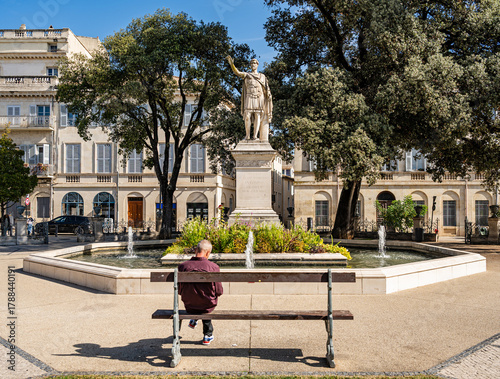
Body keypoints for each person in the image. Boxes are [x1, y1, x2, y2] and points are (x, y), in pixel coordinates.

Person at [178, 239, 223, 345]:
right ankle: (207, 335)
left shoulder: (183, 267)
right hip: (207, 305)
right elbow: (219, 291)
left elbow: (180, 290)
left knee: (196, 298)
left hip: (189, 304)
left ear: (195, 250)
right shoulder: (213, 267)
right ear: (208, 253)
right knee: (206, 301)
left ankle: (195, 318)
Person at [226, 56, 273, 141]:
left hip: (259, 97)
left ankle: (255, 136)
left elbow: (266, 88)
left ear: (257, 65)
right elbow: (237, 72)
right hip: (249, 96)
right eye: (252, 63)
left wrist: (268, 94)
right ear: (250, 65)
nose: (253, 64)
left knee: (257, 116)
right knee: (247, 116)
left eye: (255, 63)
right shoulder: (247, 75)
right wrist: (232, 64)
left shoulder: (262, 76)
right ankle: (247, 136)